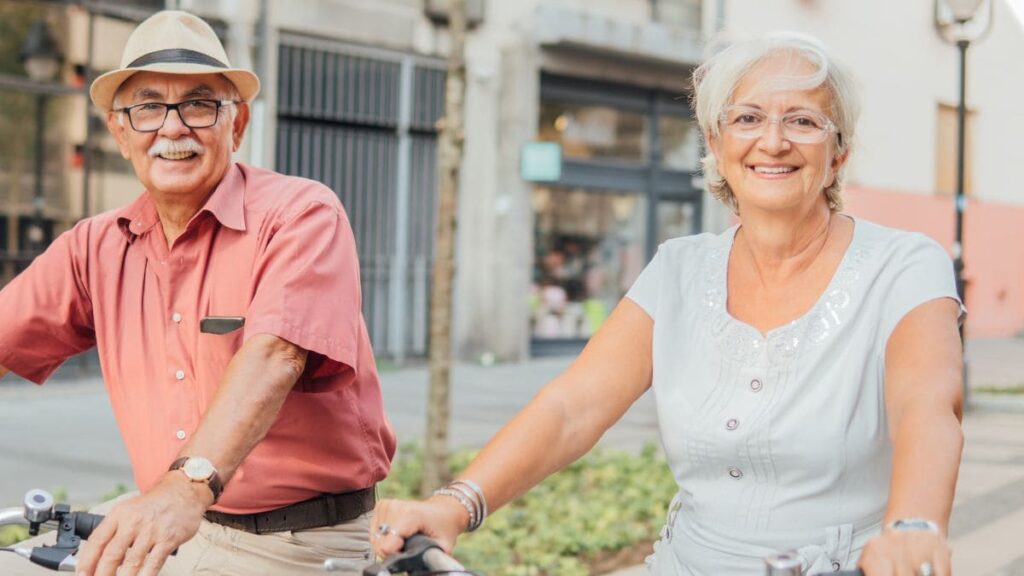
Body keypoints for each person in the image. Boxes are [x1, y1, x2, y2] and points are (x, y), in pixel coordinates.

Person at [371, 32, 964, 576]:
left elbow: (928, 407)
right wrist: (456, 504)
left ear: (838, 152)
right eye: (748, 117)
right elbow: (573, 407)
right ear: (716, 141)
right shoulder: (680, 268)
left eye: (804, 121)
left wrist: (913, 525)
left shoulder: (906, 265)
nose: (773, 141)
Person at [0, 10, 395, 576]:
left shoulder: (300, 214)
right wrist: (175, 500)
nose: (173, 127)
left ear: (236, 125)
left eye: (200, 104)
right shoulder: (95, 245)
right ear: (120, 131)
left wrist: (186, 487)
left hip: (295, 542)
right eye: (148, 107)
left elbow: (275, 355)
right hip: (166, 526)